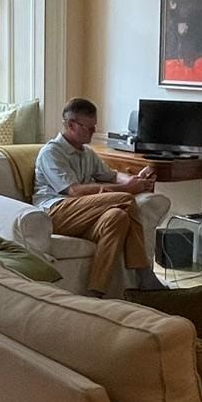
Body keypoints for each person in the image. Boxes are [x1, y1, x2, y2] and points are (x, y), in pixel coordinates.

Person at [33, 98, 160, 295]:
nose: (94, 132)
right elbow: (74, 191)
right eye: (89, 128)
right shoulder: (51, 152)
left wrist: (133, 179)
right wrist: (127, 189)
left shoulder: (87, 153)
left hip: (82, 215)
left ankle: (96, 292)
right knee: (125, 198)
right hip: (54, 212)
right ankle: (144, 274)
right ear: (71, 125)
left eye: (94, 127)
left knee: (117, 217)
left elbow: (112, 175)